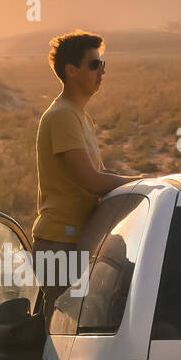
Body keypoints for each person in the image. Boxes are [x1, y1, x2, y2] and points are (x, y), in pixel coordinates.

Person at [32, 30, 139, 324]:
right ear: (71, 70)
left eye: (102, 64)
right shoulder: (63, 116)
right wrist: (141, 183)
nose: (101, 71)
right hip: (60, 242)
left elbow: (99, 176)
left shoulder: (78, 114)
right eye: (94, 65)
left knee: (78, 326)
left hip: (76, 240)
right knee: (67, 329)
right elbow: (90, 181)